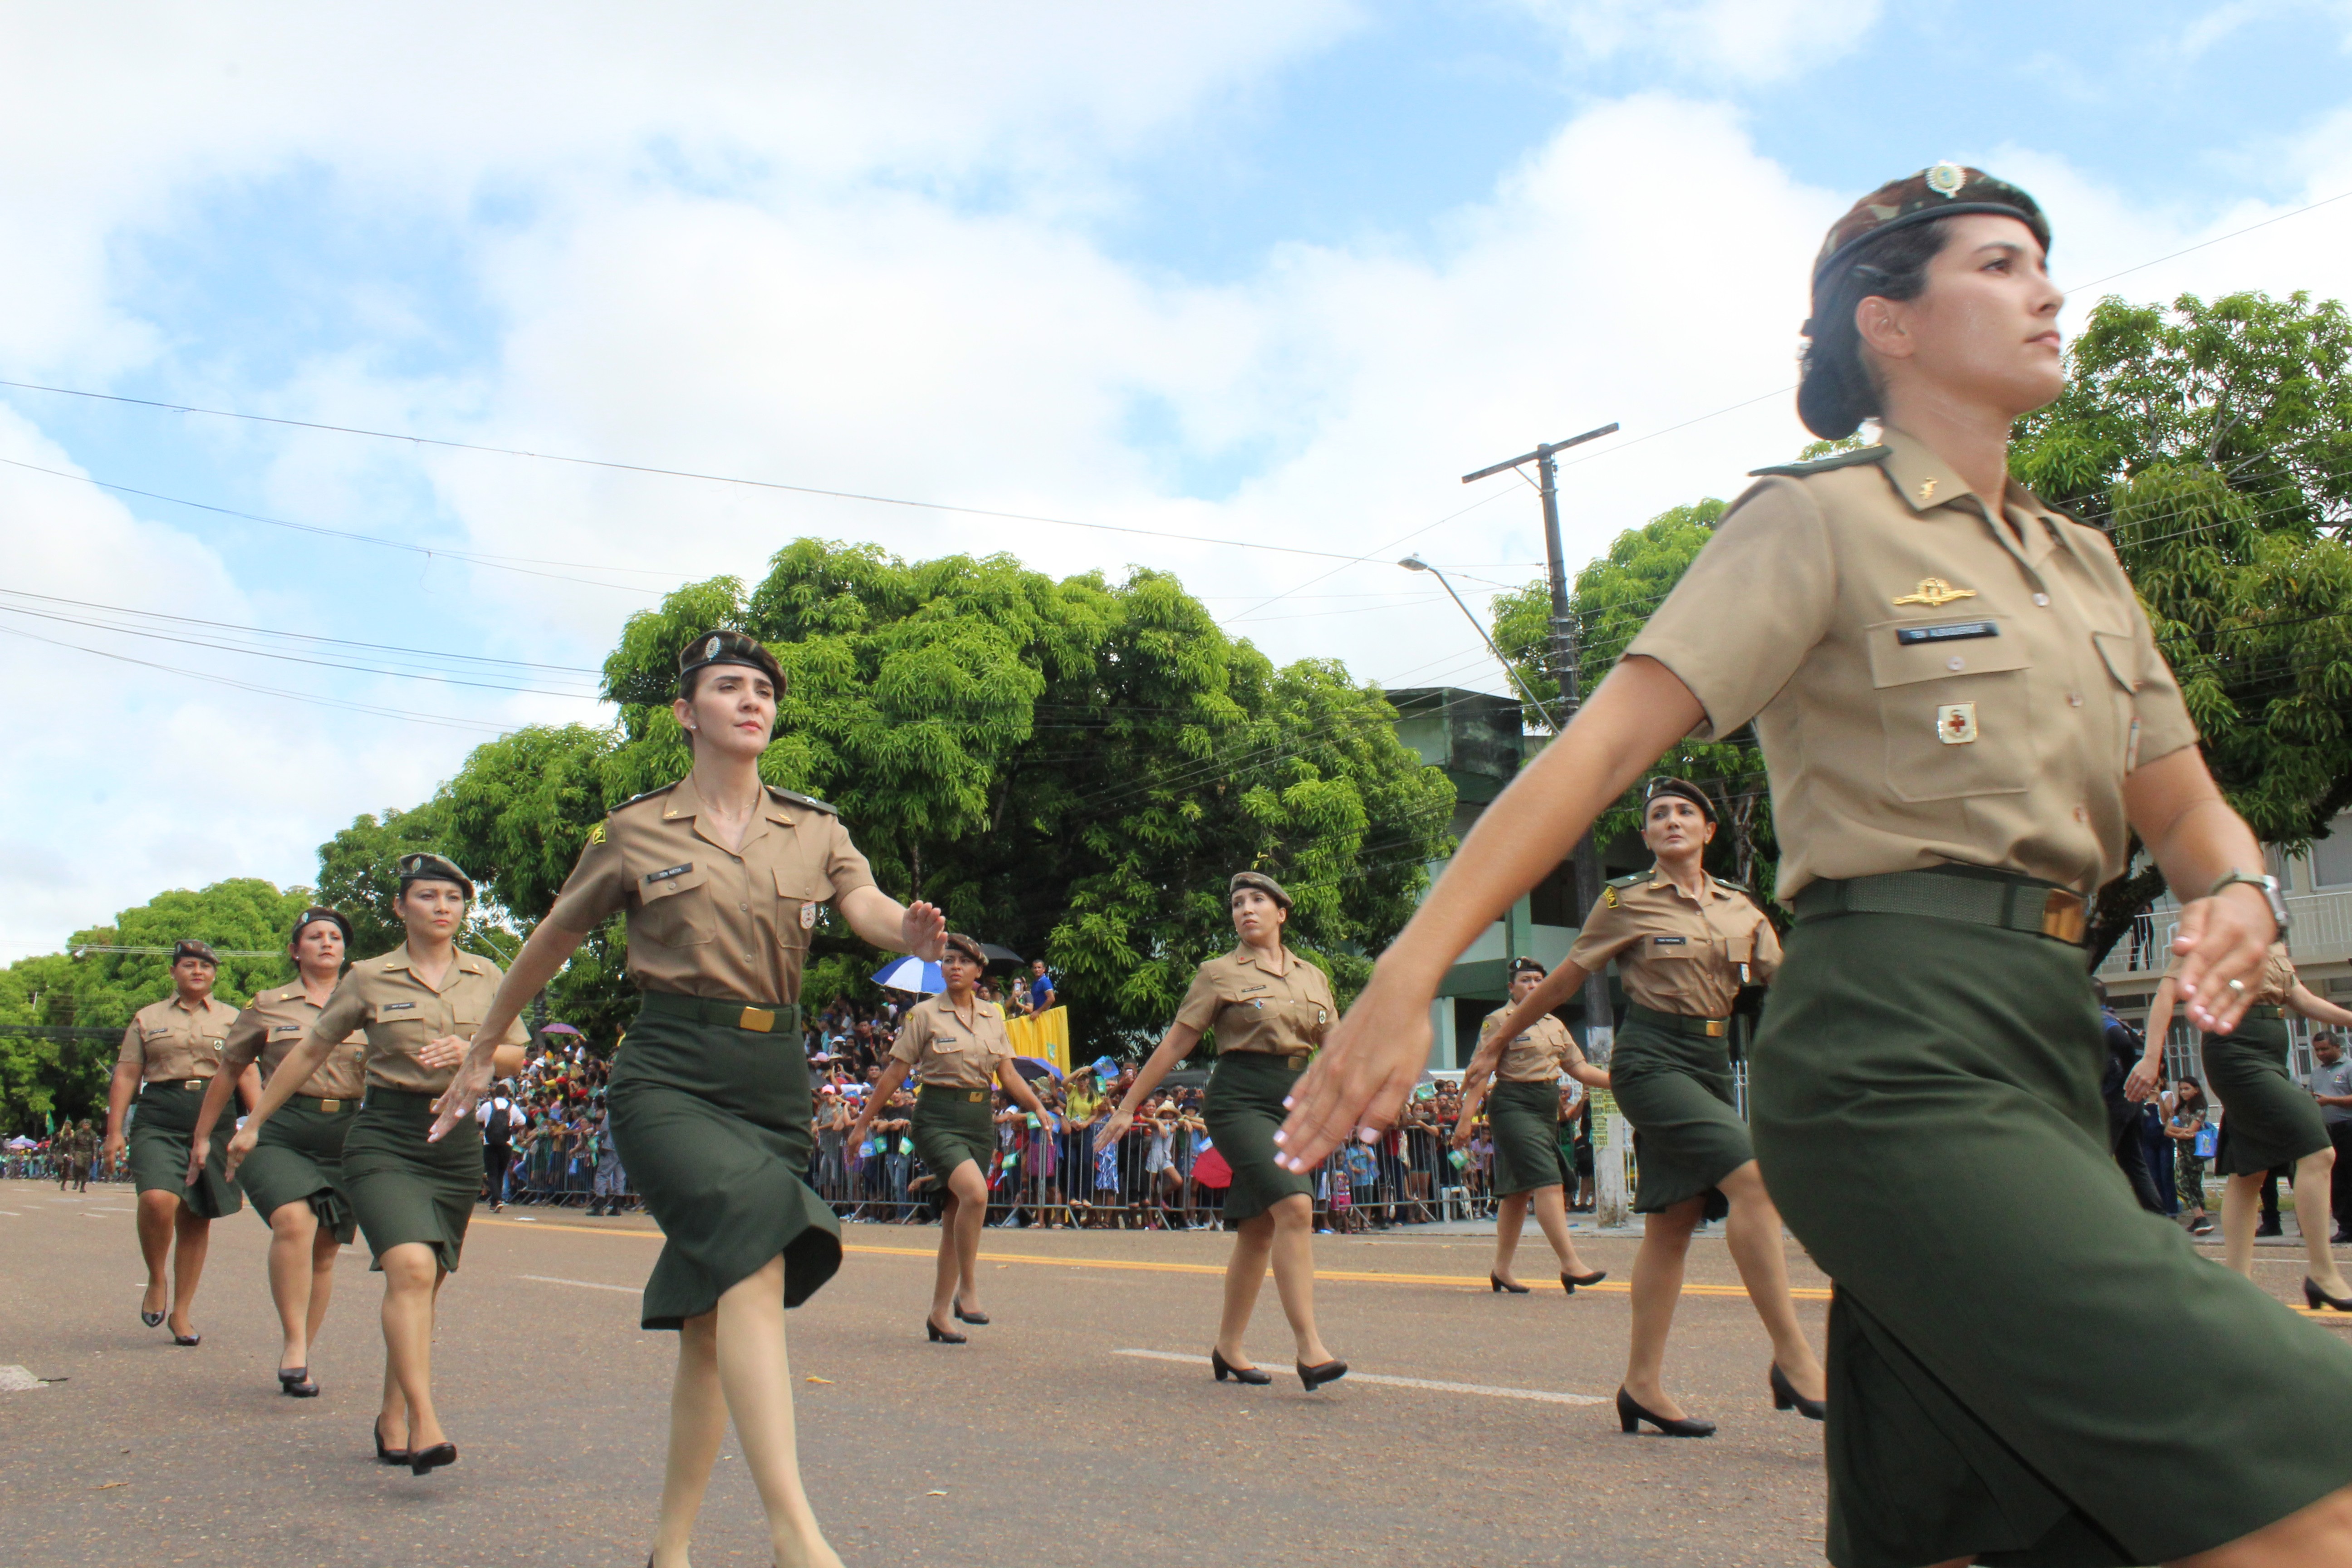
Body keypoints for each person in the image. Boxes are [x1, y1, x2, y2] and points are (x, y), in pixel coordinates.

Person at [1278, 166, 2352, 1562]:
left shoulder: (2083, 566)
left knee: (1993, 1531)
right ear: (1889, 324)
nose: (2049, 291)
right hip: (1890, 1053)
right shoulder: (1817, 522)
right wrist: (1405, 973)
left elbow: (2191, 813)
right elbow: (1594, 756)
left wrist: (2240, 891)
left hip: (2046, 1044)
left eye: (2045, 263)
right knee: (2298, 1482)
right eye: (2000, 263)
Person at [427, 628, 944, 1568]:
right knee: (753, 1266)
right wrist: (478, 1051)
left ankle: (669, 1549)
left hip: (772, 1081)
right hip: (669, 1070)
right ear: (685, 713)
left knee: (712, 1323)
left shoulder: (815, 827)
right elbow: (551, 940)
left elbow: (864, 906)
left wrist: (904, 931)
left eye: (763, 690)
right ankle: (798, 1535)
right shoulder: (636, 829)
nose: (752, 701)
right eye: (729, 687)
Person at [1475, 780, 1824, 1435]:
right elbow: (1567, 978)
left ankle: (1641, 1386)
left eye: (1684, 812)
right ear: (1646, 836)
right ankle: (1794, 1355)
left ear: (1708, 831)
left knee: (1674, 1221)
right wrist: (1497, 1038)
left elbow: (1798, 988)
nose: (1670, 820)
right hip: (1651, 1058)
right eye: (1657, 814)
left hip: (1712, 1063)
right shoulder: (1625, 901)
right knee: (1754, 1180)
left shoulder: (1741, 910)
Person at [226, 855, 529, 1475]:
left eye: (453, 896)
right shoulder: (368, 977)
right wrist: (254, 1124)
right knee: (411, 1268)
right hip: (385, 1135)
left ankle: (392, 1415)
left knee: (424, 1283)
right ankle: (426, 1419)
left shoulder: (487, 974)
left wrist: (479, 1052)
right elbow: (312, 1048)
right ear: (401, 908)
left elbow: (518, 1052)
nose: (443, 907)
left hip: (454, 1140)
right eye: (427, 896)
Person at [1101, 872, 1345, 1391]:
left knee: (1258, 1230)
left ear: (1283, 913)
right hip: (1239, 1099)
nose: (1246, 909)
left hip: (1296, 1098)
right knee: (1295, 1207)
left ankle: (1228, 1348)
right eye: (1237, 903)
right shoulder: (1217, 973)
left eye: (1258, 900)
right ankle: (1310, 1348)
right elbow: (1176, 1043)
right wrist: (1128, 1106)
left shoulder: (1314, 977)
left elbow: (1335, 1046)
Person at [188, 907, 369, 1397]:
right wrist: (205, 1136)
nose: (327, 943)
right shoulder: (268, 1005)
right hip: (280, 1128)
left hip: (347, 1132)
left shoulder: (370, 1001)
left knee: (326, 1249)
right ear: (296, 950)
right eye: (315, 937)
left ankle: (302, 1356)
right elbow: (229, 1071)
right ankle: (293, 1343)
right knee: (295, 1221)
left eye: (335, 937)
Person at [848, 933, 1057, 1339]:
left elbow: (1008, 1073)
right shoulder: (924, 1015)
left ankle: (939, 1314)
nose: (954, 967)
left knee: (952, 1218)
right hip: (937, 1118)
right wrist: (861, 1124)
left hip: (979, 1120)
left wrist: (1037, 1106)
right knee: (976, 1195)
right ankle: (968, 1289)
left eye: (963, 961)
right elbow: (895, 1073)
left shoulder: (994, 1015)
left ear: (980, 971)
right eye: (947, 960)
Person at [2138, 948, 2352, 1298]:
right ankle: (2323, 1273)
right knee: (2318, 1149)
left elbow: (2300, 997)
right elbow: (2167, 992)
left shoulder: (2271, 938)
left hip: (2272, 1054)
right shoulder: (2214, 924)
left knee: (2249, 1171)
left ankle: (2236, 1287)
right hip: (2233, 1052)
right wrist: (2151, 1058)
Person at [102, 939, 254, 1346]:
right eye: (189, 965)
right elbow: (127, 1075)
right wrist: (114, 1131)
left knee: (196, 1215)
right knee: (157, 1199)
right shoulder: (147, 1018)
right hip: (160, 1116)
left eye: (206, 967)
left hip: (215, 1115)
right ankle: (156, 1278)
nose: (198, 972)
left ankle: (182, 1312)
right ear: (173, 972)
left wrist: (259, 1126)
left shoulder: (233, 1018)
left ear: (215, 974)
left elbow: (247, 1074)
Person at [1451, 956, 1609, 1295]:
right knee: (1547, 1179)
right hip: (1512, 1105)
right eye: (1525, 981)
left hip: (1545, 1108)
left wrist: (1620, 1082)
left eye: (1539, 980)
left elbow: (1580, 1069)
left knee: (1518, 1192)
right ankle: (1570, 1264)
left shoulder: (1555, 1024)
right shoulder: (1498, 1021)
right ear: (1511, 987)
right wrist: (1466, 1120)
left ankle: (1502, 1270)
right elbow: (1482, 1072)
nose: (1533, 986)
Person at [2309, 1033, 2352, 1245]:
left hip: (2349, 1128)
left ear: (2337, 1047)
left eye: (2325, 1049)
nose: (2321, 1054)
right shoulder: (2317, 1073)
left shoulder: (2348, 1068)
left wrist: (2330, 1101)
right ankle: (2345, 1226)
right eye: (2317, 1050)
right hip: (2328, 1131)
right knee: (2337, 1180)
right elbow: (2312, 1096)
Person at [2168, 1075, 2215, 1235]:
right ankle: (2200, 1219)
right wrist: (2181, 1133)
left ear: (2196, 1089)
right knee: (2181, 1183)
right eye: (2181, 1089)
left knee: (2193, 1185)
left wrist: (2177, 1132)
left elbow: (2193, 1131)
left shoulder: (2200, 1108)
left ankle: (2201, 1219)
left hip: (2196, 1151)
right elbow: (2170, 1129)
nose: (2183, 1092)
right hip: (2183, 1151)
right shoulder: (2181, 1109)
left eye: (2187, 1088)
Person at [478, 1081, 521, 1211]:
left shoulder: (487, 1106)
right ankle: (495, 1201)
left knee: (492, 1173)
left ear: (495, 1094)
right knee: (501, 1173)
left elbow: (478, 1118)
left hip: (490, 1143)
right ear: (507, 1094)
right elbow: (523, 1121)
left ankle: (496, 1199)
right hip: (506, 1143)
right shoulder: (512, 1107)